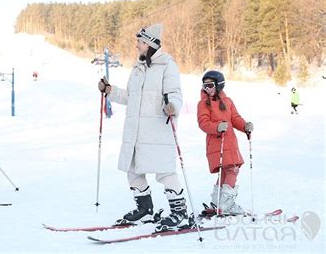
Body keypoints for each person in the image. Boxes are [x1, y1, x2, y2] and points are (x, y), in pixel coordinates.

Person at [98, 23, 189, 231]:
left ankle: (180, 213)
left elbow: (175, 94)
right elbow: (131, 97)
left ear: (149, 44)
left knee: (164, 171)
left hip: (157, 129)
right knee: (132, 169)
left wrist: (172, 106)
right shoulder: (138, 68)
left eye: (139, 42)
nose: (136, 46)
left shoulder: (167, 65)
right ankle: (145, 211)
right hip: (135, 131)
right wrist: (110, 90)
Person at [197, 70, 254, 215]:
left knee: (225, 172)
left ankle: (217, 202)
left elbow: (235, 118)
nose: (207, 89)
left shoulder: (228, 102)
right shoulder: (203, 104)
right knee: (232, 170)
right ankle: (227, 204)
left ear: (219, 85)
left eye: (210, 85)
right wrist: (216, 127)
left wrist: (245, 126)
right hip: (217, 144)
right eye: (205, 86)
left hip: (230, 143)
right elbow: (203, 123)